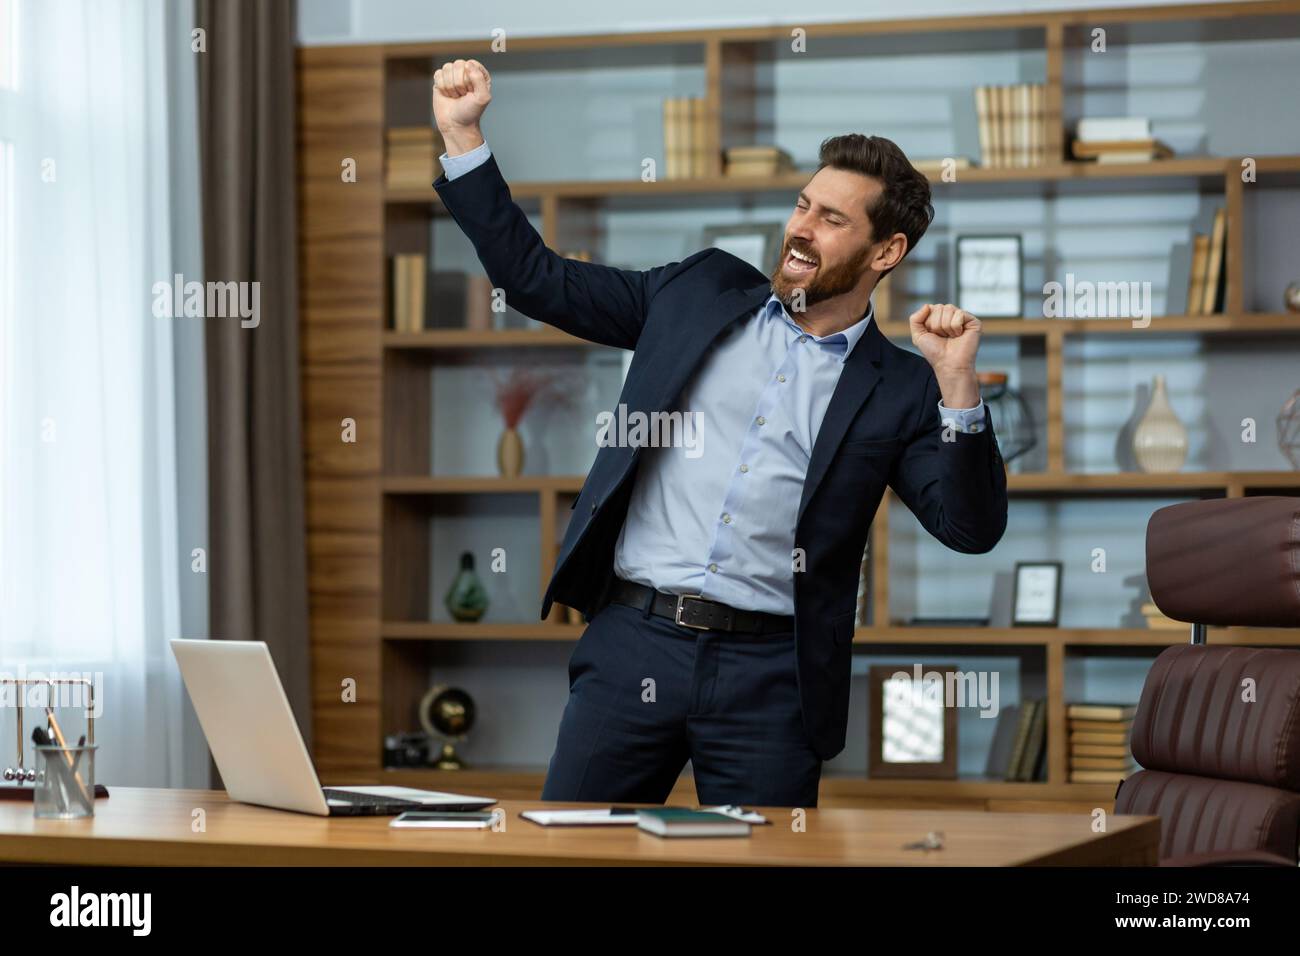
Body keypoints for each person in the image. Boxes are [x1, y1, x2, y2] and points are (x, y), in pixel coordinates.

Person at [431, 59, 1008, 807]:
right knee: (571, 858)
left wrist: (958, 385)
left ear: (886, 252)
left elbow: (969, 528)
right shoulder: (695, 292)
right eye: (803, 206)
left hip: (772, 680)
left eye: (832, 220)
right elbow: (536, 278)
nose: (800, 229)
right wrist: (463, 134)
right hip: (632, 644)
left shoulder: (900, 386)